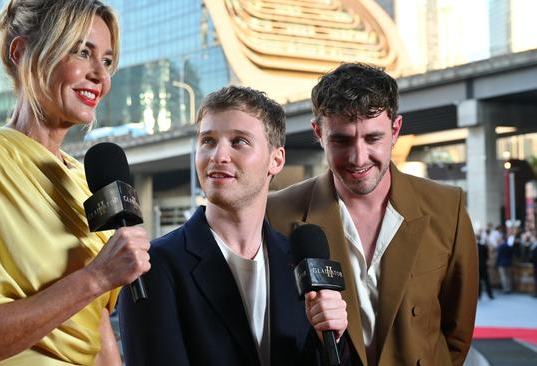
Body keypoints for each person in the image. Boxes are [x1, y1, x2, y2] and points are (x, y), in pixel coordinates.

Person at [0, 1, 151, 365]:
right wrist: (96, 278)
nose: (100, 77)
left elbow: (96, 325)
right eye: (81, 52)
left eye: (106, 61)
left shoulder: (84, 182)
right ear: (22, 52)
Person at [119, 86, 350, 365]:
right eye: (208, 141)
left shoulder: (299, 263)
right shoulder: (152, 268)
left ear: (276, 160)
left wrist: (334, 338)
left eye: (238, 141)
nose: (218, 156)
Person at [266, 63, 478, 365]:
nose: (358, 158)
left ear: (395, 131)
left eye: (372, 138)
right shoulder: (277, 213)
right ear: (318, 133)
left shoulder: (447, 207)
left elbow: (457, 334)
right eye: (341, 140)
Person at [477, 232, 494, 299]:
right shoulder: (483, 247)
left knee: (478, 282)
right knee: (487, 281)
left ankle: (479, 295)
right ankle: (490, 295)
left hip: (477, 267)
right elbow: (487, 257)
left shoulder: (474, 247)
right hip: (484, 266)